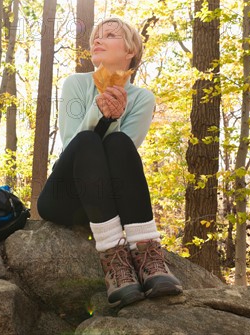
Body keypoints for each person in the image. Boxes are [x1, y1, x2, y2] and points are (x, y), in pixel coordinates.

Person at [37, 17, 182, 308]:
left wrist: (112, 120)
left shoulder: (142, 98)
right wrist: (99, 113)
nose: (97, 40)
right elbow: (71, 145)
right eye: (96, 36)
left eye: (110, 35)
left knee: (118, 143)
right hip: (66, 197)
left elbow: (122, 160)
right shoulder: (76, 84)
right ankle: (114, 262)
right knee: (87, 140)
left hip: (108, 199)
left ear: (131, 51)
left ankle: (148, 255)